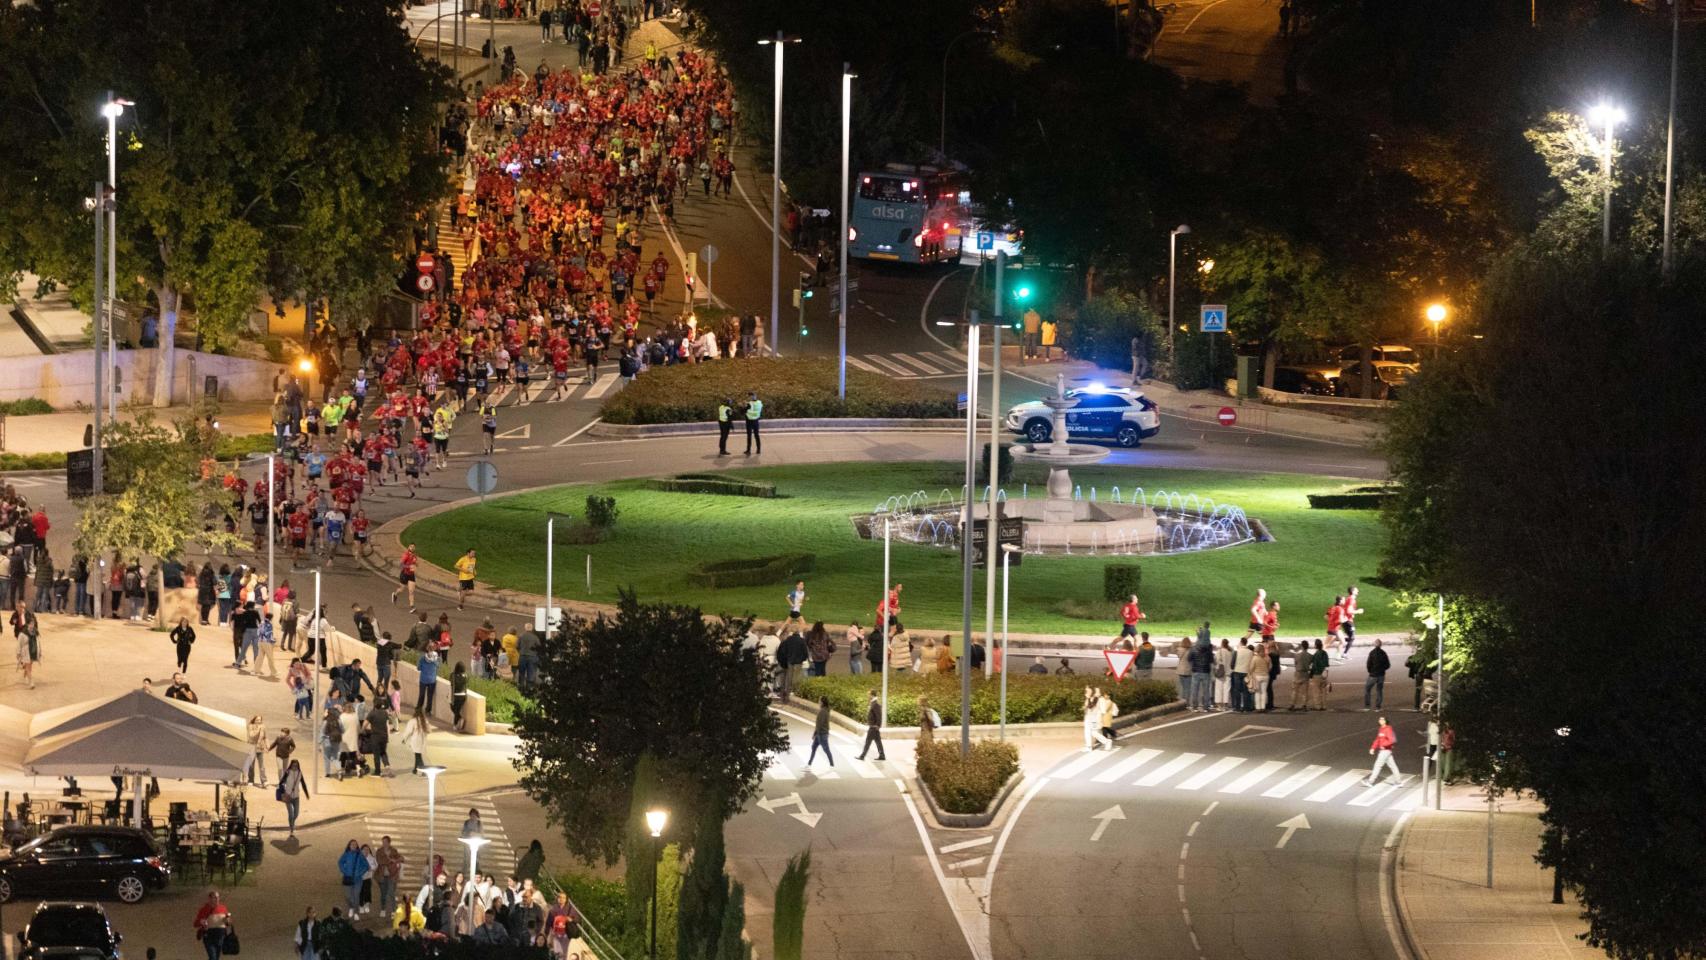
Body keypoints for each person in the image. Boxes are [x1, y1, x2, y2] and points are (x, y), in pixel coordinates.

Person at [194, 890, 231, 960]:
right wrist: (201, 922)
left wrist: (227, 921)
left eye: (218, 897)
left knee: (216, 957)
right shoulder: (204, 909)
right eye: (215, 897)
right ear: (210, 899)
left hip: (220, 937)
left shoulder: (223, 908)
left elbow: (228, 923)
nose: (217, 899)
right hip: (209, 937)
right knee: (213, 957)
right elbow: (195, 923)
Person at [1364, 716, 1401, 785]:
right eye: (1380, 719)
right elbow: (1378, 739)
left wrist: (1384, 745)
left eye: (1382, 719)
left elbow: (1392, 740)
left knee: (1377, 765)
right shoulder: (1381, 729)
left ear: (1385, 721)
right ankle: (1398, 782)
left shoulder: (1388, 729)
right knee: (1393, 766)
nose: (1380, 720)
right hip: (1386, 751)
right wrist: (1373, 748)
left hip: (1385, 751)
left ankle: (1370, 781)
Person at [375, 836, 406, 918]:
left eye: (385, 842)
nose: (384, 843)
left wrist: (396, 860)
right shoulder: (379, 851)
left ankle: (393, 911)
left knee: (391, 893)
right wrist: (391, 860)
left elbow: (402, 858)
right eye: (383, 842)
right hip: (382, 875)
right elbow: (379, 861)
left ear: (389, 842)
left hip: (392, 875)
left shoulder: (393, 850)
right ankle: (383, 909)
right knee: (383, 894)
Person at [12, 600, 40, 689]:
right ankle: (31, 681)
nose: (32, 626)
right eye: (31, 624)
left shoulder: (35, 633)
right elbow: (19, 645)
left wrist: (39, 653)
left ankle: (26, 673)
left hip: (32, 652)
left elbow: (38, 644)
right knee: (28, 667)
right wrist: (18, 653)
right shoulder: (22, 634)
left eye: (33, 624)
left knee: (29, 665)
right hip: (25, 651)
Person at [279, 758, 308, 838]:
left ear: (298, 766)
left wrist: (306, 794)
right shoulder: (287, 772)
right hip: (288, 796)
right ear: (291, 766)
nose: (294, 767)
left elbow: (303, 784)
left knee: (296, 814)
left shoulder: (300, 773)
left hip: (296, 797)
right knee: (291, 814)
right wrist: (283, 791)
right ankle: (291, 830)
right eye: (293, 765)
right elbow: (281, 783)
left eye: (296, 766)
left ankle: (291, 823)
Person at [855, 689, 886, 761]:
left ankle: (862, 756)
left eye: (869, 694)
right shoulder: (873, 703)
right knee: (878, 741)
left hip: (873, 727)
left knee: (868, 741)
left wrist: (878, 725)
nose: (868, 696)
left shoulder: (876, 704)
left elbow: (879, 716)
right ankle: (882, 755)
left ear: (872, 695)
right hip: (874, 727)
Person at [338, 840, 367, 916]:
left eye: (355, 844)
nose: (353, 846)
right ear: (349, 846)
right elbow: (340, 862)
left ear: (357, 846)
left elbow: (366, 865)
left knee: (356, 896)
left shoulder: (360, 855)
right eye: (352, 844)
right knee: (348, 896)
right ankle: (351, 907)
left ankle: (356, 912)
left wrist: (359, 873)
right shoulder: (346, 854)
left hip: (358, 880)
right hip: (348, 878)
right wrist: (344, 871)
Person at [807, 696, 835, 767]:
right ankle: (809, 763)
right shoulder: (826, 710)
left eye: (819, 701)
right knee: (814, 747)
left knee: (826, 750)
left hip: (821, 734)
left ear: (822, 702)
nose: (818, 702)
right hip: (821, 734)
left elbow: (819, 724)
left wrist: (815, 734)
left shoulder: (822, 712)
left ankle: (832, 764)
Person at [1363, 638, 1391, 710]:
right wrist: (1382, 669)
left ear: (1375, 644)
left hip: (1373, 675)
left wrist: (1370, 671)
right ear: (1381, 645)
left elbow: (1368, 664)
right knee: (1379, 690)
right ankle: (1378, 706)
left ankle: (1367, 705)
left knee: (1367, 689)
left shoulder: (1372, 653)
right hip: (1381, 675)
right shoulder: (1383, 653)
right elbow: (1388, 665)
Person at [402, 706, 430, 774]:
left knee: (418, 756)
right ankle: (415, 769)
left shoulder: (413, 721)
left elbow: (408, 731)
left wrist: (404, 738)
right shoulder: (425, 721)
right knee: (418, 754)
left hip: (415, 740)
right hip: (423, 740)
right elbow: (429, 731)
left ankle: (422, 770)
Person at [1307, 638, 1331, 710]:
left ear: (1315, 646)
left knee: (1317, 691)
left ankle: (1318, 706)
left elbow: (1314, 666)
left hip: (1317, 674)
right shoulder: (1325, 653)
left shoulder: (1316, 655)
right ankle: (1324, 706)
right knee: (1324, 691)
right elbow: (1327, 664)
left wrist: (1310, 674)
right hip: (1324, 674)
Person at [450, 661, 470, 732]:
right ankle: (459, 718)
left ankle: (456, 724)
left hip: (456, 695)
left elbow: (452, 684)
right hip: (463, 695)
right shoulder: (465, 676)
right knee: (456, 710)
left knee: (454, 709)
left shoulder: (453, 675)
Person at [743, 390, 762, 455]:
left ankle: (748, 450)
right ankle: (758, 450)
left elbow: (742, 411)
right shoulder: (759, 402)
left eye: (749, 396)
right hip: (756, 421)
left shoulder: (749, 404)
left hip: (749, 421)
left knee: (749, 436)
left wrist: (743, 406)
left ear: (751, 397)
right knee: (756, 435)